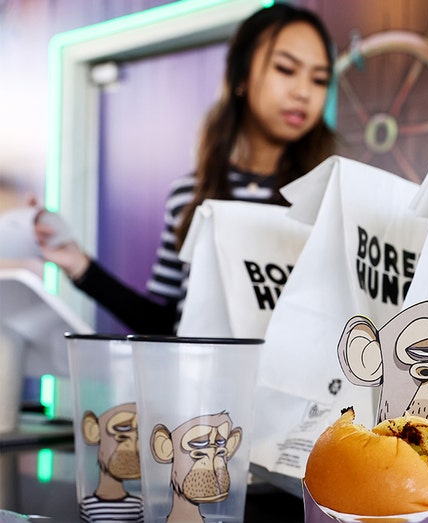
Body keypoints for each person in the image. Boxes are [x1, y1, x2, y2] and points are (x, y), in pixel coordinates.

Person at [34, 4, 337, 334]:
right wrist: (81, 267)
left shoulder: (333, 197)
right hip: (199, 384)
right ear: (241, 75)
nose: (303, 92)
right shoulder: (189, 195)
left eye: (319, 79)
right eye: (285, 69)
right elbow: (165, 324)